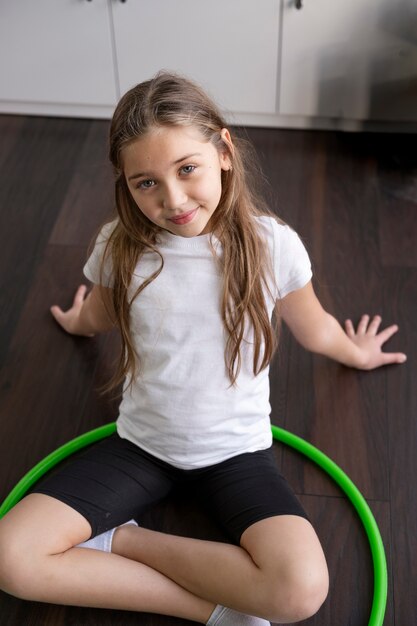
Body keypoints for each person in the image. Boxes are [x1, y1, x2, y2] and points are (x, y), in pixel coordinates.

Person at [0, 72, 406, 626]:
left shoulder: (272, 246)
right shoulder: (119, 246)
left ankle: (122, 542)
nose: (172, 199)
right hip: (141, 445)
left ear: (223, 151)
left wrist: (353, 353)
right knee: (11, 559)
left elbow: (314, 329)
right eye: (146, 183)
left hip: (236, 453)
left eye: (186, 169)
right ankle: (210, 612)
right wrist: (76, 321)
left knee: (300, 590)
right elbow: (99, 313)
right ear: (125, 183)